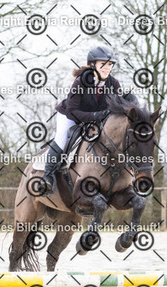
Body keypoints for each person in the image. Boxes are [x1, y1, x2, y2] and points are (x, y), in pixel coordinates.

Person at [40, 45, 128, 194]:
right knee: (62, 138)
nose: (107, 68)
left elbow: (120, 106)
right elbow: (72, 111)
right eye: (103, 64)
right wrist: (94, 116)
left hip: (97, 119)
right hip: (70, 116)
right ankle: (47, 177)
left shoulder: (113, 83)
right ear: (92, 65)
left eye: (110, 64)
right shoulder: (80, 82)